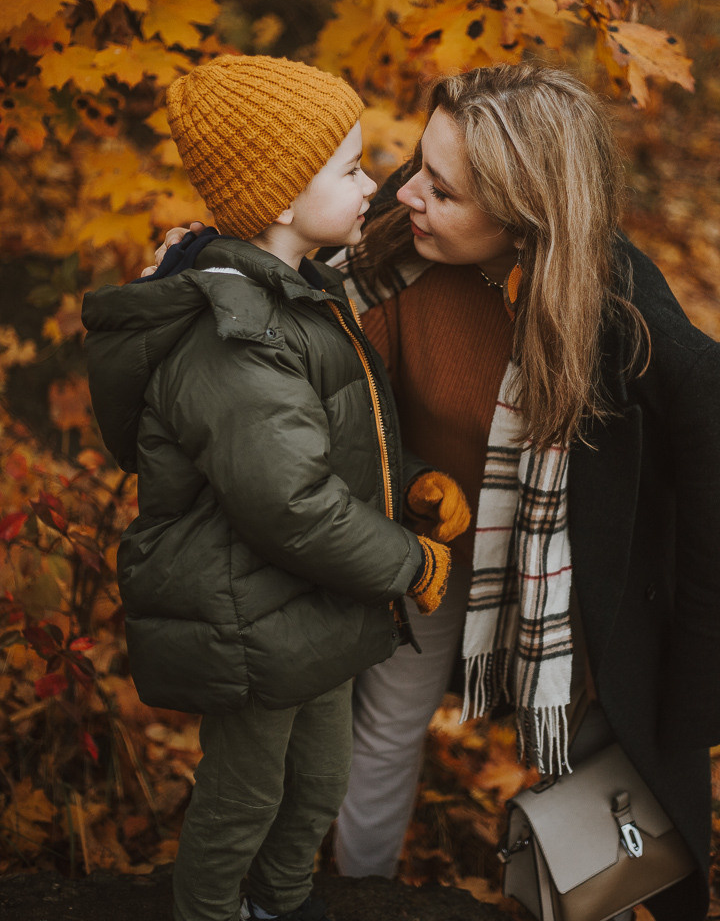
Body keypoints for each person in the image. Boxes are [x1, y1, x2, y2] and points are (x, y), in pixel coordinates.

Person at [145, 62, 720, 921]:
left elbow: (703, 501)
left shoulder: (628, 322)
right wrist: (188, 270)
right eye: (417, 163)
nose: (407, 193)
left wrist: (693, 671)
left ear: (524, 214)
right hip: (425, 528)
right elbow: (280, 324)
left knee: (585, 754)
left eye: (442, 189)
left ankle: (560, 901)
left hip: (569, 563)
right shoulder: (389, 245)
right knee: (379, 725)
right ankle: (358, 893)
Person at [81, 54, 470, 921]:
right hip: (249, 621)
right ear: (284, 202)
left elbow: (330, 442)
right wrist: (409, 561)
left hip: (314, 612)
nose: (376, 182)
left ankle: (281, 905)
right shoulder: (235, 337)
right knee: (246, 798)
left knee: (317, 784)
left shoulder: (303, 293)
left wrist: (410, 491)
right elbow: (286, 502)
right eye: (351, 167)